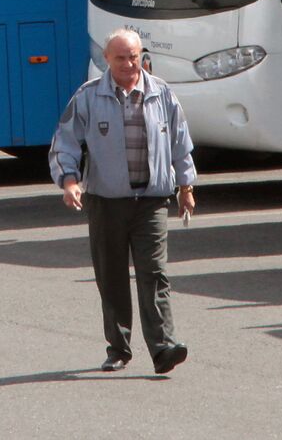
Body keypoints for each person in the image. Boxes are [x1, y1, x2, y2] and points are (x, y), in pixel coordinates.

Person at [49, 27, 197, 374]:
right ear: (107, 59)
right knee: (112, 276)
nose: (129, 64)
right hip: (106, 201)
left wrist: (186, 187)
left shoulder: (161, 93)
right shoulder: (88, 96)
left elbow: (180, 142)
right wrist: (69, 181)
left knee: (155, 274)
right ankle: (118, 349)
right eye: (121, 58)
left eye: (134, 56)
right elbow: (65, 142)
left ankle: (164, 348)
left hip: (151, 201)